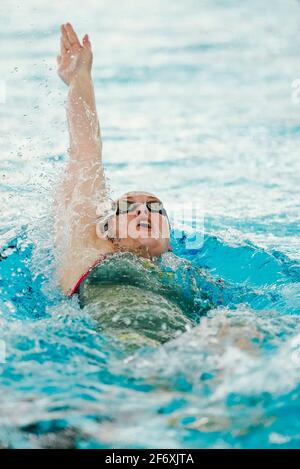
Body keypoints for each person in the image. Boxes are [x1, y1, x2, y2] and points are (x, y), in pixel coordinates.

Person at [54, 23, 172, 298]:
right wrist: (79, 77)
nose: (144, 213)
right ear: (107, 229)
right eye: (128, 208)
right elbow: (86, 152)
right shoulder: (90, 248)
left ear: (169, 243)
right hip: (121, 335)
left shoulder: (186, 278)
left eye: (156, 210)